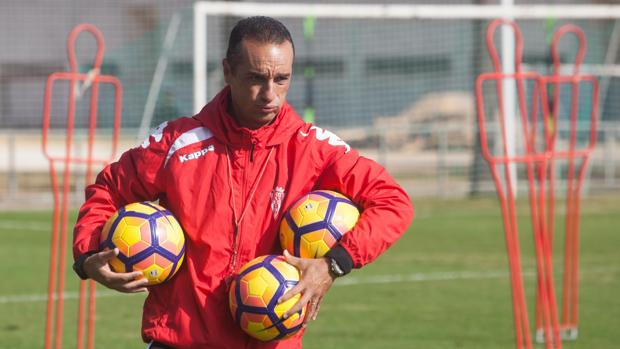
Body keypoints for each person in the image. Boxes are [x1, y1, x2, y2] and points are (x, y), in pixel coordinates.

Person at [72, 16, 414, 349]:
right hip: (181, 341)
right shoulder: (178, 142)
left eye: (282, 79)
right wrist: (89, 257)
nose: (270, 94)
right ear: (227, 72)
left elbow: (393, 202)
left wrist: (333, 264)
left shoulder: (313, 148)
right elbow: (108, 190)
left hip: (271, 341)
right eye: (256, 78)